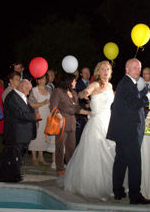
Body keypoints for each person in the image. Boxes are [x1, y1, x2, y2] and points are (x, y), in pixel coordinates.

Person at [58, 60, 120, 200]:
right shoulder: (95, 84)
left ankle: (111, 183)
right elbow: (82, 93)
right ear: (98, 71)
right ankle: (93, 184)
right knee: (95, 154)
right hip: (96, 122)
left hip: (109, 122)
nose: (105, 71)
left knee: (110, 152)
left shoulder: (110, 86)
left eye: (108, 69)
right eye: (103, 69)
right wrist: (85, 94)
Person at [107, 58, 150, 204]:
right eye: (134, 67)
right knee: (134, 163)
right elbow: (134, 104)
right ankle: (135, 196)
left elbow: (129, 105)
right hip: (128, 132)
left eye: (139, 67)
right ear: (127, 69)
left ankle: (118, 191)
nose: (138, 70)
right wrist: (149, 96)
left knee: (121, 161)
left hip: (123, 130)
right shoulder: (127, 84)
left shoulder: (127, 83)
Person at [49, 73, 90, 175]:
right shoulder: (58, 91)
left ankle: (70, 166)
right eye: (74, 80)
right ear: (69, 81)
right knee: (60, 145)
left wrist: (89, 112)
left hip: (72, 121)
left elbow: (77, 109)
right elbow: (53, 107)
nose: (76, 82)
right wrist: (60, 118)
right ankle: (59, 168)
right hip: (62, 121)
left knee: (71, 146)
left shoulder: (74, 93)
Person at [2, 79, 43, 165]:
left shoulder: (20, 96)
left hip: (22, 133)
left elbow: (27, 110)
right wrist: (33, 116)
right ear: (22, 87)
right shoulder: (12, 97)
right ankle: (13, 174)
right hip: (16, 133)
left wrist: (34, 113)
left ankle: (16, 173)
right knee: (14, 155)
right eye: (28, 90)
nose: (28, 93)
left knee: (19, 155)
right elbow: (18, 113)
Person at [28, 73, 53, 166]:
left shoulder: (50, 90)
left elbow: (53, 101)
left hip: (47, 115)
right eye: (39, 79)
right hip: (37, 115)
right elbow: (30, 104)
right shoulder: (34, 90)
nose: (41, 81)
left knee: (43, 136)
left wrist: (51, 105)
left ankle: (41, 157)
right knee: (36, 136)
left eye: (43, 79)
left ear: (46, 80)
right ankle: (34, 158)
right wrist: (42, 103)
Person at [75, 67, 92, 145]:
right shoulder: (76, 84)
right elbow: (76, 99)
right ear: (81, 74)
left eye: (88, 72)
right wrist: (85, 105)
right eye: (84, 73)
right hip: (80, 114)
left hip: (91, 112)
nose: (87, 74)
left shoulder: (92, 84)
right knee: (79, 135)